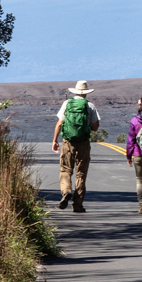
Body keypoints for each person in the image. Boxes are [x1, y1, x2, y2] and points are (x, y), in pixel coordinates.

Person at [52, 81, 101, 212]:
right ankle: (78, 204)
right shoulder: (90, 106)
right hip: (84, 143)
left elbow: (59, 123)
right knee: (81, 173)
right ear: (86, 93)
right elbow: (95, 127)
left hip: (68, 142)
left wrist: (55, 140)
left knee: (65, 169)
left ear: (75, 91)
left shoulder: (67, 104)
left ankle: (66, 191)